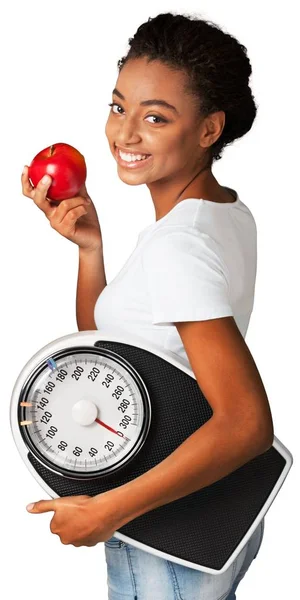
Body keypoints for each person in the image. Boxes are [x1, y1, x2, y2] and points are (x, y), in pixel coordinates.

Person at [21, 11, 273, 600]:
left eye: (155, 117)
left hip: (167, 530)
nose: (125, 134)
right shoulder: (222, 214)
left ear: (209, 130)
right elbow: (117, 358)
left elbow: (245, 423)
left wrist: (108, 510)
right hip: (207, 515)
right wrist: (91, 249)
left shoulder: (177, 246)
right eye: (118, 107)